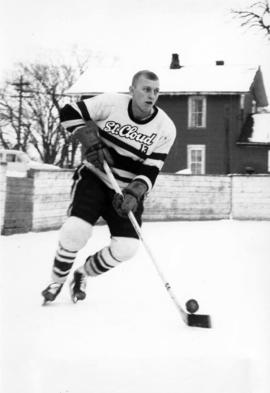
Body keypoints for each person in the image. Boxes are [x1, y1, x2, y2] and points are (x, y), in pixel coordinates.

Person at [41, 69, 176, 303]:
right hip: (95, 176)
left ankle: (82, 274)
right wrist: (88, 139)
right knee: (75, 231)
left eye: (156, 91)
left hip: (125, 190)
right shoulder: (111, 102)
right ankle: (56, 280)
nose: (151, 95)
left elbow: (151, 170)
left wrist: (134, 193)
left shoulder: (165, 128)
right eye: (146, 89)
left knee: (127, 248)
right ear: (132, 90)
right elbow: (69, 112)